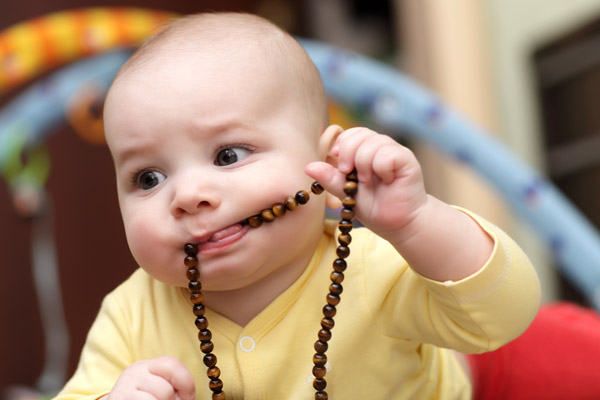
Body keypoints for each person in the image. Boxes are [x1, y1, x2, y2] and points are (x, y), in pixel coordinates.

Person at [54, 12, 541, 400]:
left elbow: (505, 314)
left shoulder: (370, 267)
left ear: (326, 158)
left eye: (228, 155)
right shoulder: (132, 313)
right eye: (148, 178)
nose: (185, 196)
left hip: (469, 366)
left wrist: (415, 224)